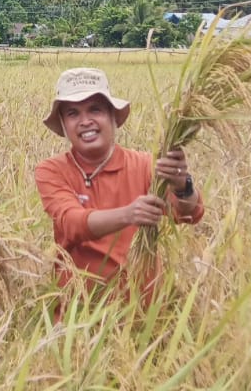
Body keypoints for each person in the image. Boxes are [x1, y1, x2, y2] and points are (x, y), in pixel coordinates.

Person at [33, 68, 203, 296]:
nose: (85, 121)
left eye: (95, 109)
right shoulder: (52, 170)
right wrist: (129, 214)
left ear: (113, 116)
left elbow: (189, 213)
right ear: (63, 124)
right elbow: (71, 224)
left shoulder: (145, 165)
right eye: (73, 113)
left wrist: (182, 185)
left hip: (141, 311)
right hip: (76, 312)